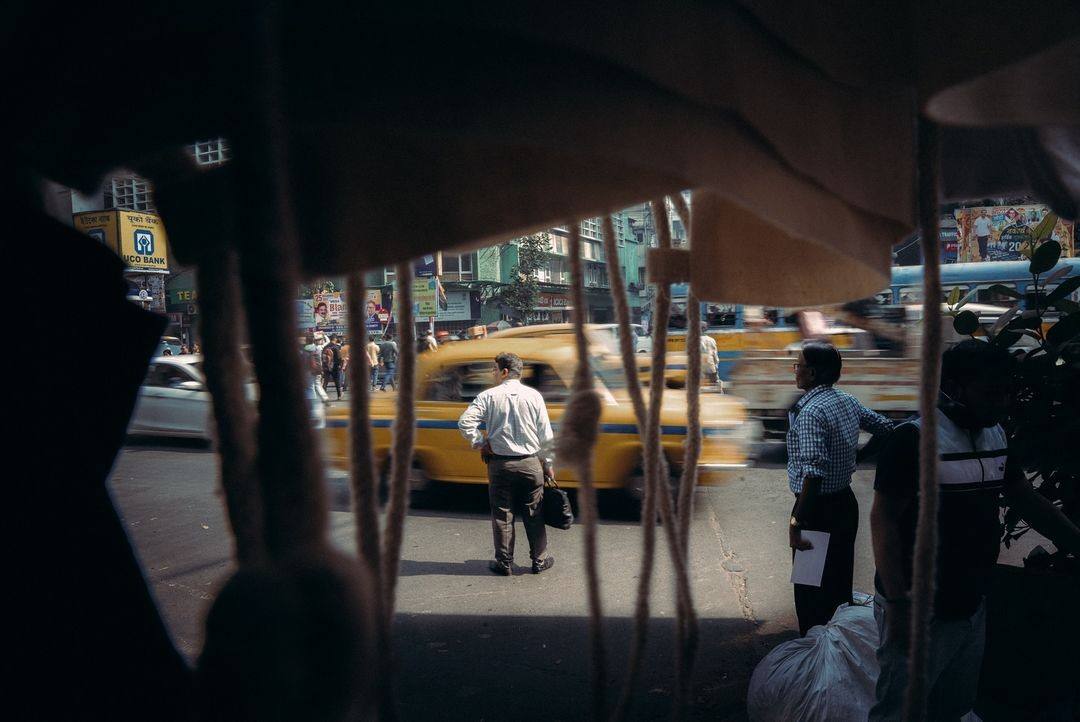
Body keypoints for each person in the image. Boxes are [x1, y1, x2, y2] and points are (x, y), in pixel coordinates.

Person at [869, 340, 1080, 721]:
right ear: (953, 387)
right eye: (990, 393)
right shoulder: (913, 440)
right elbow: (883, 520)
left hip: (970, 603)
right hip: (920, 610)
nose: (1000, 403)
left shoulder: (996, 435)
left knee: (954, 708)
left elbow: (1027, 500)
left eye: (1005, 392)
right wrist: (898, 605)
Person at [787, 341, 893, 636]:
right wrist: (859, 454)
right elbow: (886, 428)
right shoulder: (845, 400)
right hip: (845, 506)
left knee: (810, 592)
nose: (795, 371)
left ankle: (814, 655)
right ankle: (840, 653)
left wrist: (797, 522)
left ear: (812, 373)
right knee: (837, 587)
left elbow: (813, 474)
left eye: (798, 366)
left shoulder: (809, 413)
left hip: (815, 510)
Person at [457, 352, 555, 576]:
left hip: (500, 466)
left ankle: (504, 563)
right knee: (534, 513)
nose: (492, 373)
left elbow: (464, 423)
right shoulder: (534, 396)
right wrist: (548, 464)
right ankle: (539, 560)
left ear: (504, 372)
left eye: (494, 369)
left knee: (503, 515)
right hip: (531, 464)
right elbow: (545, 434)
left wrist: (480, 442)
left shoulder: (488, 396)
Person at [322, 335, 343, 399]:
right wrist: (340, 365)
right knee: (337, 381)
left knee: (325, 381)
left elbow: (322, 357)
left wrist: (324, 365)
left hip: (326, 367)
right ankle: (339, 396)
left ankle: (323, 396)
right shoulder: (336, 347)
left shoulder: (325, 347)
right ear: (335, 339)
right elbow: (339, 358)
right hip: (335, 366)